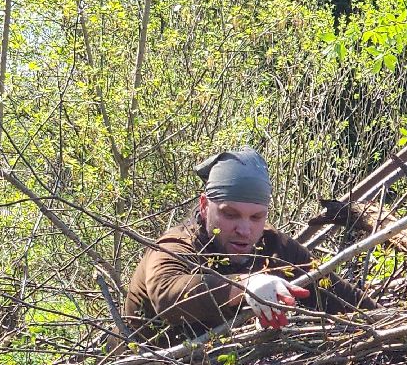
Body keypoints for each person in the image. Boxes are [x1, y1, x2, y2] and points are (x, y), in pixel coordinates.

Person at [123, 147, 370, 342]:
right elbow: (167, 296)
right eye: (230, 214)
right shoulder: (175, 246)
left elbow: (346, 301)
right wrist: (246, 285)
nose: (244, 230)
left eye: (256, 217)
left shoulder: (274, 246)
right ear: (204, 205)